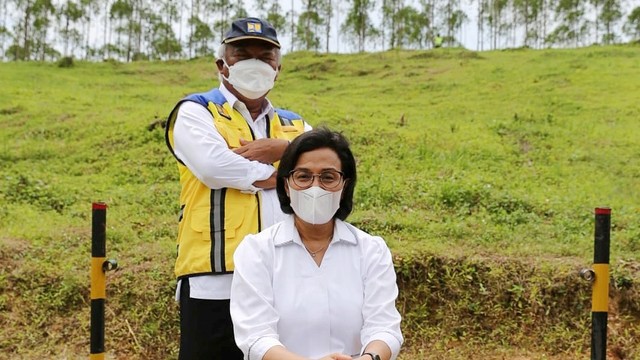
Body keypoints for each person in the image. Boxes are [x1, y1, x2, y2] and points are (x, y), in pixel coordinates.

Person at [165, 17, 311, 360]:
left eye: (265, 56)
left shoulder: (294, 124)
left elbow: (331, 165)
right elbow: (216, 167)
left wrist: (283, 151)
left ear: (278, 69)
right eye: (242, 53)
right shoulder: (196, 111)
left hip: (286, 280)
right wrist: (292, 171)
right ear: (222, 64)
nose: (254, 63)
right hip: (215, 280)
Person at [230, 128, 403, 360]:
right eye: (303, 176)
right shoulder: (257, 251)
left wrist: (368, 358)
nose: (315, 187)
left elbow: (384, 327)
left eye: (328, 177)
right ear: (286, 186)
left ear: (344, 187)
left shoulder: (371, 250)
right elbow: (255, 336)